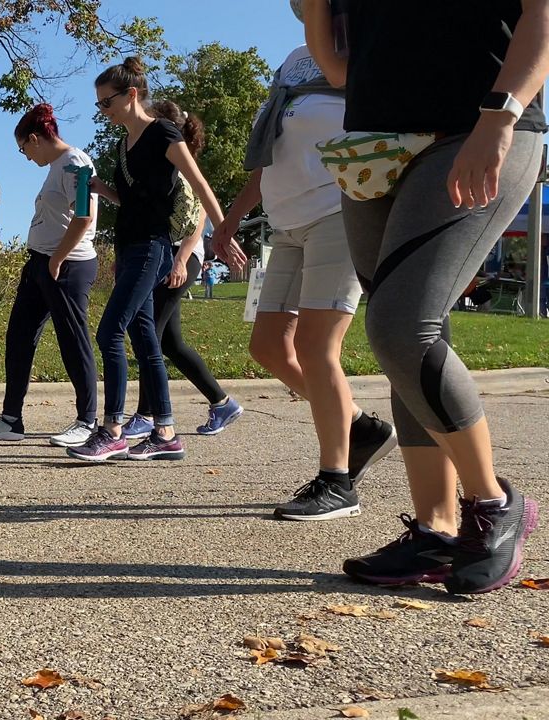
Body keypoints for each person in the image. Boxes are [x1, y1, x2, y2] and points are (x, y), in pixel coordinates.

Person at [303, 0, 544, 593]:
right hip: (372, 150)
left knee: (402, 324)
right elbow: (339, 70)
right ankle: (435, 530)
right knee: (407, 336)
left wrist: (501, 113)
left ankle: (492, 503)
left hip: (473, 127)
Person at [214, 14, 398, 522]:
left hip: (338, 212)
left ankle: (338, 482)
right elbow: (270, 155)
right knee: (269, 346)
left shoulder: (368, 44)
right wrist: (229, 223)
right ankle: (360, 427)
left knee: (318, 348)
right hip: (286, 220)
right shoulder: (294, 61)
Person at [68, 57, 245, 462]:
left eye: (106, 102)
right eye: (99, 104)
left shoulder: (161, 131)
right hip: (130, 246)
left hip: (153, 247)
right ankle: (165, 432)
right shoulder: (122, 144)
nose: (103, 111)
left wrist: (223, 232)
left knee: (110, 331)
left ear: (132, 95)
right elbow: (131, 200)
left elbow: (198, 183)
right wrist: (101, 188)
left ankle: (113, 429)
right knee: (146, 338)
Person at [0, 103, 99, 447]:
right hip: (40, 264)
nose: (25, 156)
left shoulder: (76, 163)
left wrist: (58, 258)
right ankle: (11, 419)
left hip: (67, 265)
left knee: (74, 341)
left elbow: (84, 216)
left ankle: (87, 421)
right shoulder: (57, 166)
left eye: (23, 148)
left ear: (34, 139)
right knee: (19, 337)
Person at [120, 101, 243, 441]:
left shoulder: (179, 161)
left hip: (181, 257)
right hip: (165, 254)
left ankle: (147, 414)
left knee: (150, 334)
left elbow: (198, 216)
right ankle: (222, 402)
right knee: (171, 341)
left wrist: (181, 259)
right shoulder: (161, 162)